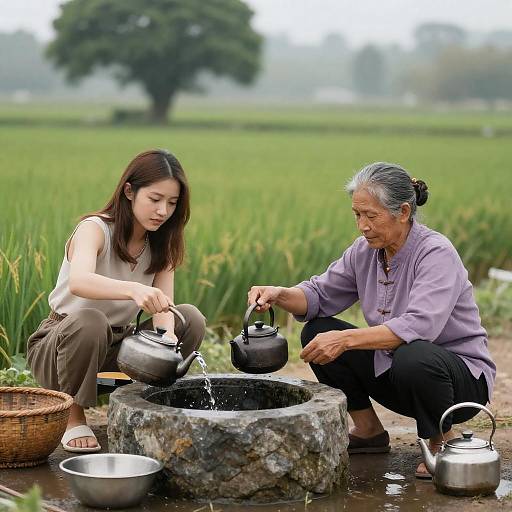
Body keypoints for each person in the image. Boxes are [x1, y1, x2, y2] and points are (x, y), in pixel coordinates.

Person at [247, 162, 496, 479]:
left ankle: (441, 443)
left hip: (457, 383)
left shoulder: (436, 252)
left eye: (371, 216)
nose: (362, 225)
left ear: (403, 212)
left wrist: (346, 340)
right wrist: (279, 294)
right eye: (357, 215)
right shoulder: (364, 251)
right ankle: (368, 431)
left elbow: (420, 327)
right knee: (318, 330)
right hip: (399, 372)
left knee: (413, 353)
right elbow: (320, 295)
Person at [27, 149, 206, 453]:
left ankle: (145, 405)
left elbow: (165, 308)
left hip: (118, 351)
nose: (163, 211)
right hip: (62, 347)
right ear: (129, 191)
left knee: (189, 318)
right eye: (155, 199)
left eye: (172, 203)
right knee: (91, 320)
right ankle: (72, 417)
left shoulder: (162, 242)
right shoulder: (94, 229)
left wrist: (169, 339)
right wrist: (132, 289)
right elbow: (80, 281)